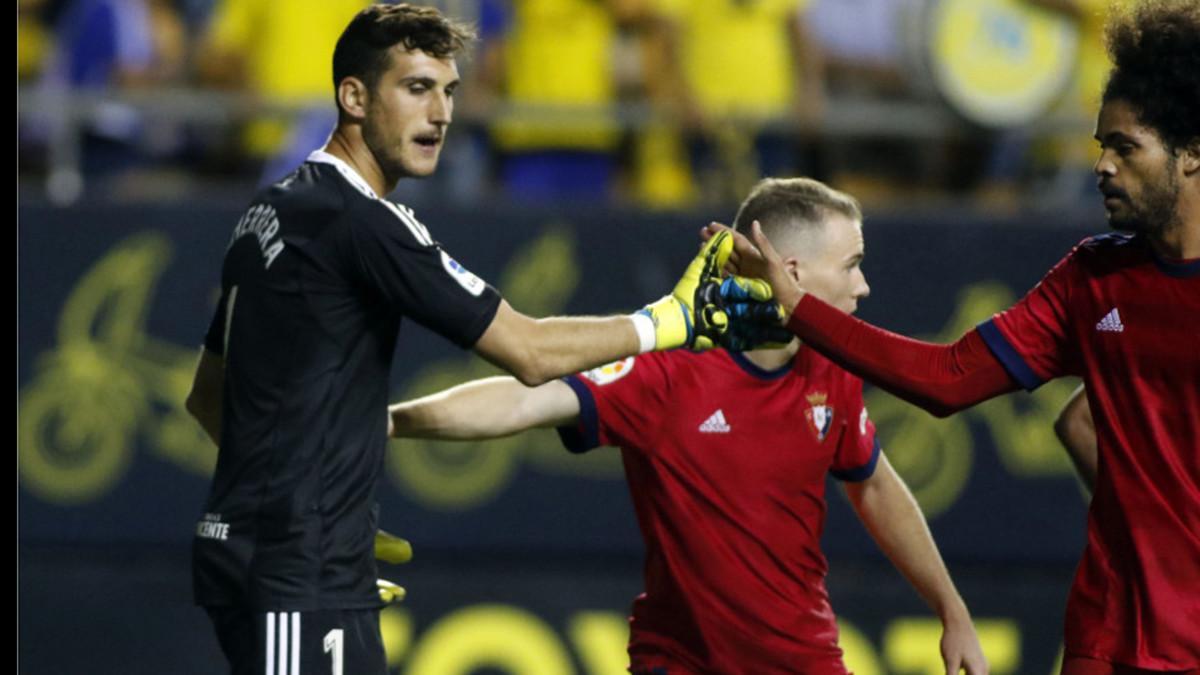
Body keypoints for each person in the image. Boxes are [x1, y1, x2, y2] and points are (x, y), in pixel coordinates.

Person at [184, 5, 737, 674]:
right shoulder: (361, 221)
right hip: (295, 569)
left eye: (449, 91)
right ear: (352, 97)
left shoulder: (270, 209)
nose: (441, 113)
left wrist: (328, 506)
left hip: (275, 553)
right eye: (416, 88)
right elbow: (529, 352)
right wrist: (670, 321)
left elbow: (209, 398)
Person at [711, 2, 1199, 672]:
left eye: (1125, 147)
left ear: (1193, 153)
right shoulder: (1092, 278)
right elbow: (947, 380)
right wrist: (798, 308)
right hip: (1106, 641)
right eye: (1099, 145)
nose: (1103, 166)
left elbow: (1092, 421)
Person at [389, 177, 989, 674]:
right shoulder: (669, 370)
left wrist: (953, 611)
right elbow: (520, 402)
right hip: (680, 662)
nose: (864, 285)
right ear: (794, 272)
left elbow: (875, 485)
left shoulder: (831, 366)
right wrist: (387, 422)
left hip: (805, 661)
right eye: (853, 264)